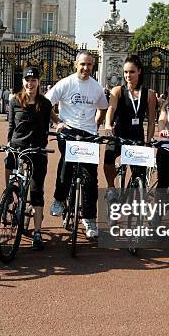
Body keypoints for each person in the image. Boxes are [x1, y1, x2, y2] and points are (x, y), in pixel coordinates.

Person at [45, 50, 108, 239]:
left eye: (89, 65)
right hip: (69, 130)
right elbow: (47, 103)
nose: (85, 68)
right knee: (68, 163)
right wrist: (57, 122)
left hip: (88, 133)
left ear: (93, 66)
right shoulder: (65, 83)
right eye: (82, 64)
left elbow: (103, 108)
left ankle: (89, 219)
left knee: (90, 177)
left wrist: (96, 124)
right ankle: (59, 198)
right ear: (75, 64)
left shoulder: (96, 87)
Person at [6, 67, 53, 250]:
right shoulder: (14, 101)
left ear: (38, 82)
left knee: (36, 191)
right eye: (27, 80)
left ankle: (38, 232)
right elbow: (11, 126)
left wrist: (62, 124)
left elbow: (53, 119)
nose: (30, 83)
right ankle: (8, 198)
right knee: (11, 180)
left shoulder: (45, 103)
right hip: (17, 148)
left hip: (37, 150)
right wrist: (9, 145)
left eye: (33, 80)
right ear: (23, 81)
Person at [103, 55, 157, 201]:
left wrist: (149, 140)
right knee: (108, 156)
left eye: (131, 72)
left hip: (137, 136)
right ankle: (110, 187)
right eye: (126, 72)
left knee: (140, 174)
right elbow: (111, 109)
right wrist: (108, 124)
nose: (128, 75)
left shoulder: (149, 94)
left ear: (139, 71)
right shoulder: (117, 91)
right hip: (119, 135)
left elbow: (152, 121)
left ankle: (136, 191)